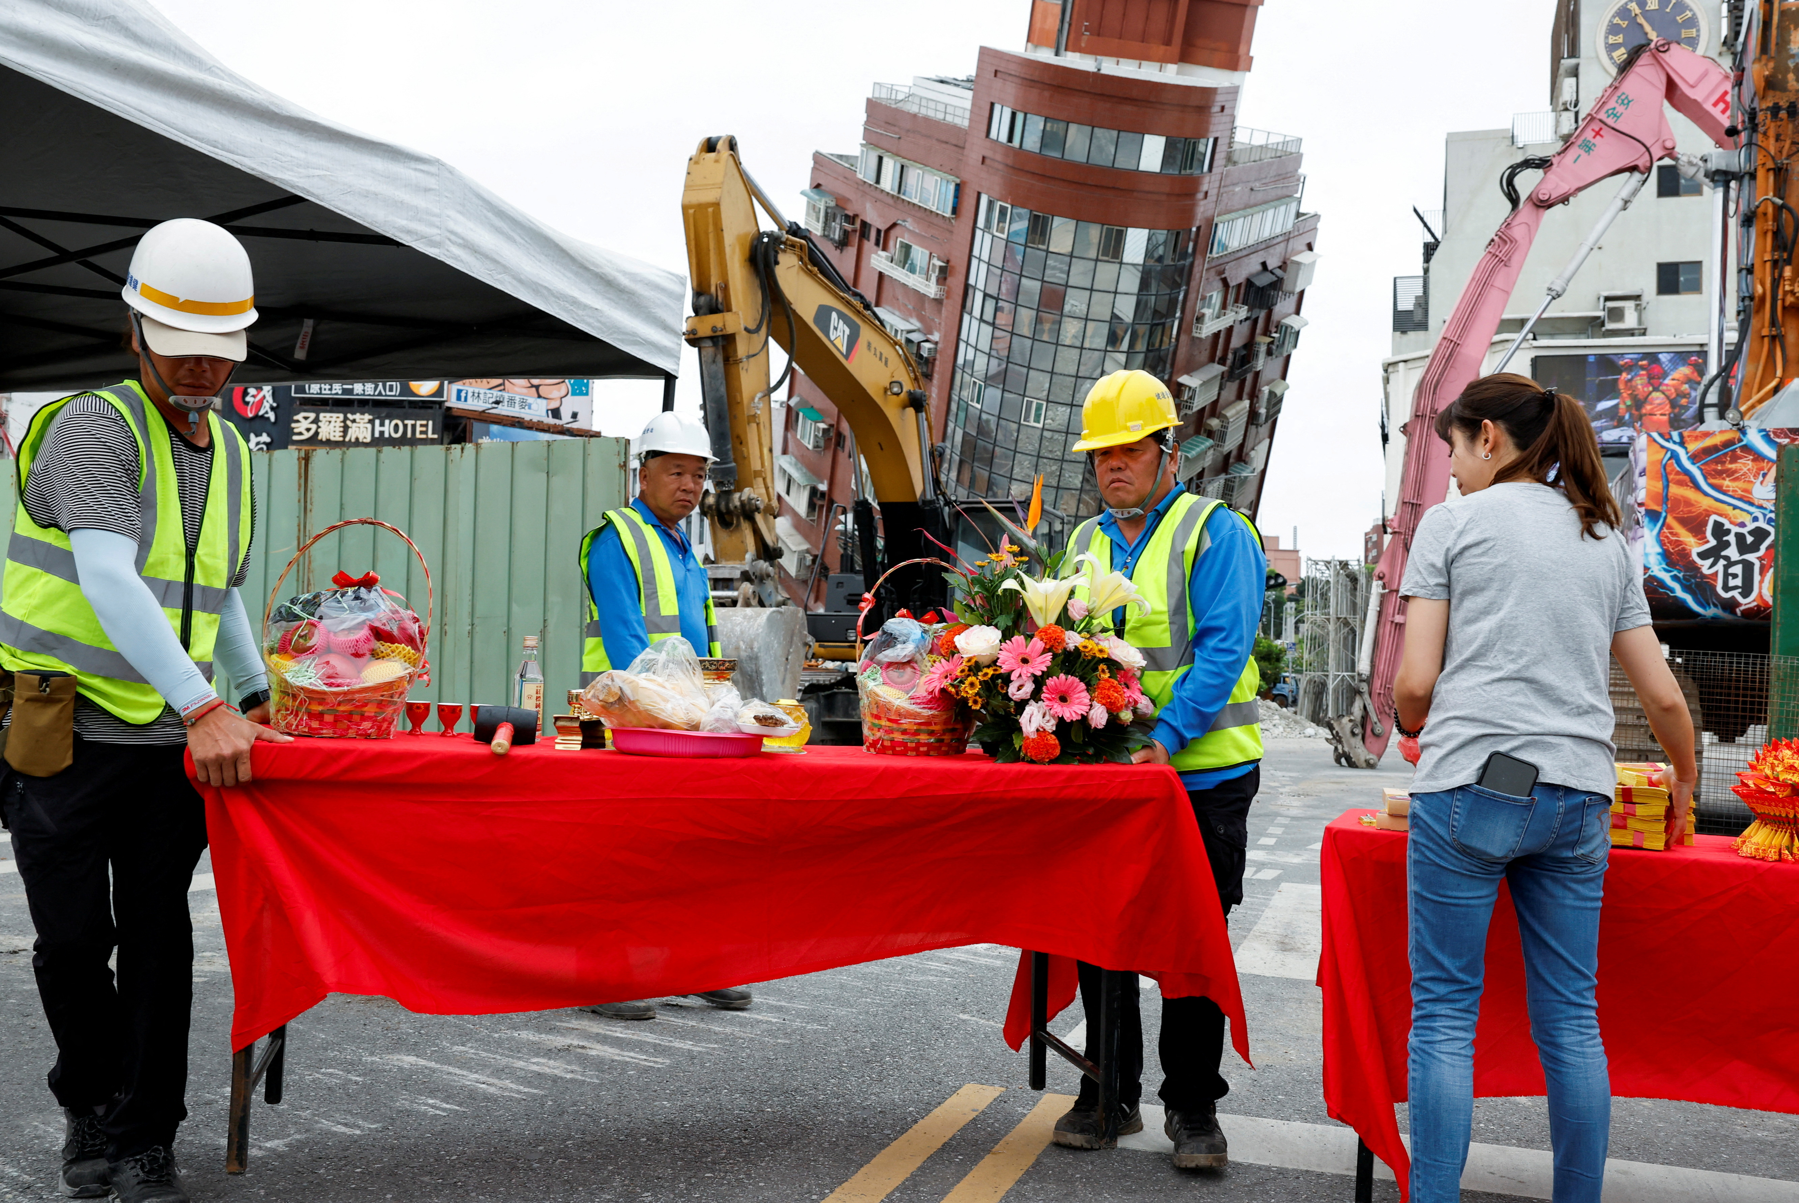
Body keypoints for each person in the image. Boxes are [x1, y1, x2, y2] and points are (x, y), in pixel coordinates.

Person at [0, 218, 291, 1203]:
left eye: (219, 347)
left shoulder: (235, 450)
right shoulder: (94, 428)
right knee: (75, 940)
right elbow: (110, 577)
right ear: (134, 329)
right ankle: (90, 1099)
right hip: (66, 733)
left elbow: (219, 591)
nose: (202, 366)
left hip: (171, 743)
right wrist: (208, 703)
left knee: (162, 939)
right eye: (180, 344)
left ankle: (145, 1132)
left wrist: (254, 696)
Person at [1392, 372, 1698, 1203]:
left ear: (1488, 437)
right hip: (1578, 795)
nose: (1453, 470)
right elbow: (1663, 697)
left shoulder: (1452, 524)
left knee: (1444, 1015)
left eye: (1455, 450)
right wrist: (1683, 775)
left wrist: (1412, 715)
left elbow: (1414, 683)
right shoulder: (1602, 536)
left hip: (1473, 783)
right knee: (1569, 1018)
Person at [1051, 370, 1266, 1170]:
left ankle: (1193, 1107)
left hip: (1202, 775)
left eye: (1131, 449)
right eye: (1101, 453)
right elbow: (1060, 649)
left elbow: (1222, 648)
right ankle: (1107, 1090)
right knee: (1097, 932)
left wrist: (1166, 736)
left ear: (1169, 453)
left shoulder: (1215, 531)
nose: (1113, 464)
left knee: (1189, 941)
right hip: (1110, 777)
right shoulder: (1083, 541)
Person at [576, 410, 751, 1020]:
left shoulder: (684, 547)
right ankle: (606, 976)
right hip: (627, 724)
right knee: (624, 851)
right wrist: (681, 714)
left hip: (685, 726)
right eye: (676, 472)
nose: (689, 485)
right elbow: (629, 649)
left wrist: (721, 710)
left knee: (692, 848)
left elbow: (701, 647)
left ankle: (694, 965)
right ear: (643, 474)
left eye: (698, 475)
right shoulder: (616, 538)